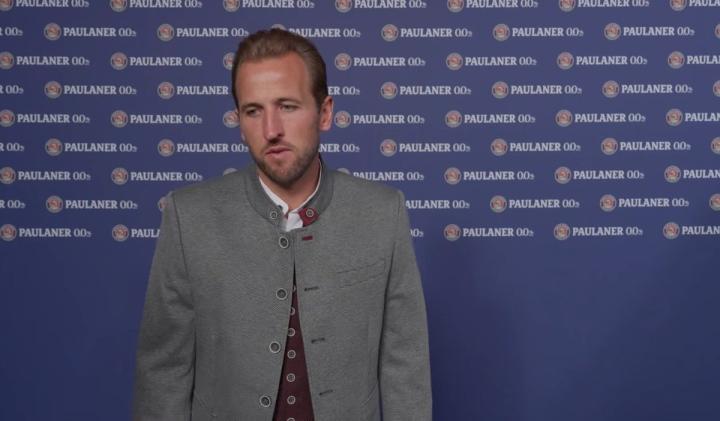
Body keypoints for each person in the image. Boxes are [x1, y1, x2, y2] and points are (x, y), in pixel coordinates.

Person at [133, 28, 432, 421]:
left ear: (325, 112)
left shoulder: (382, 212)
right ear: (239, 121)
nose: (271, 129)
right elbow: (163, 375)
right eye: (253, 111)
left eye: (287, 106)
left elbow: (405, 369)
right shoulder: (189, 216)